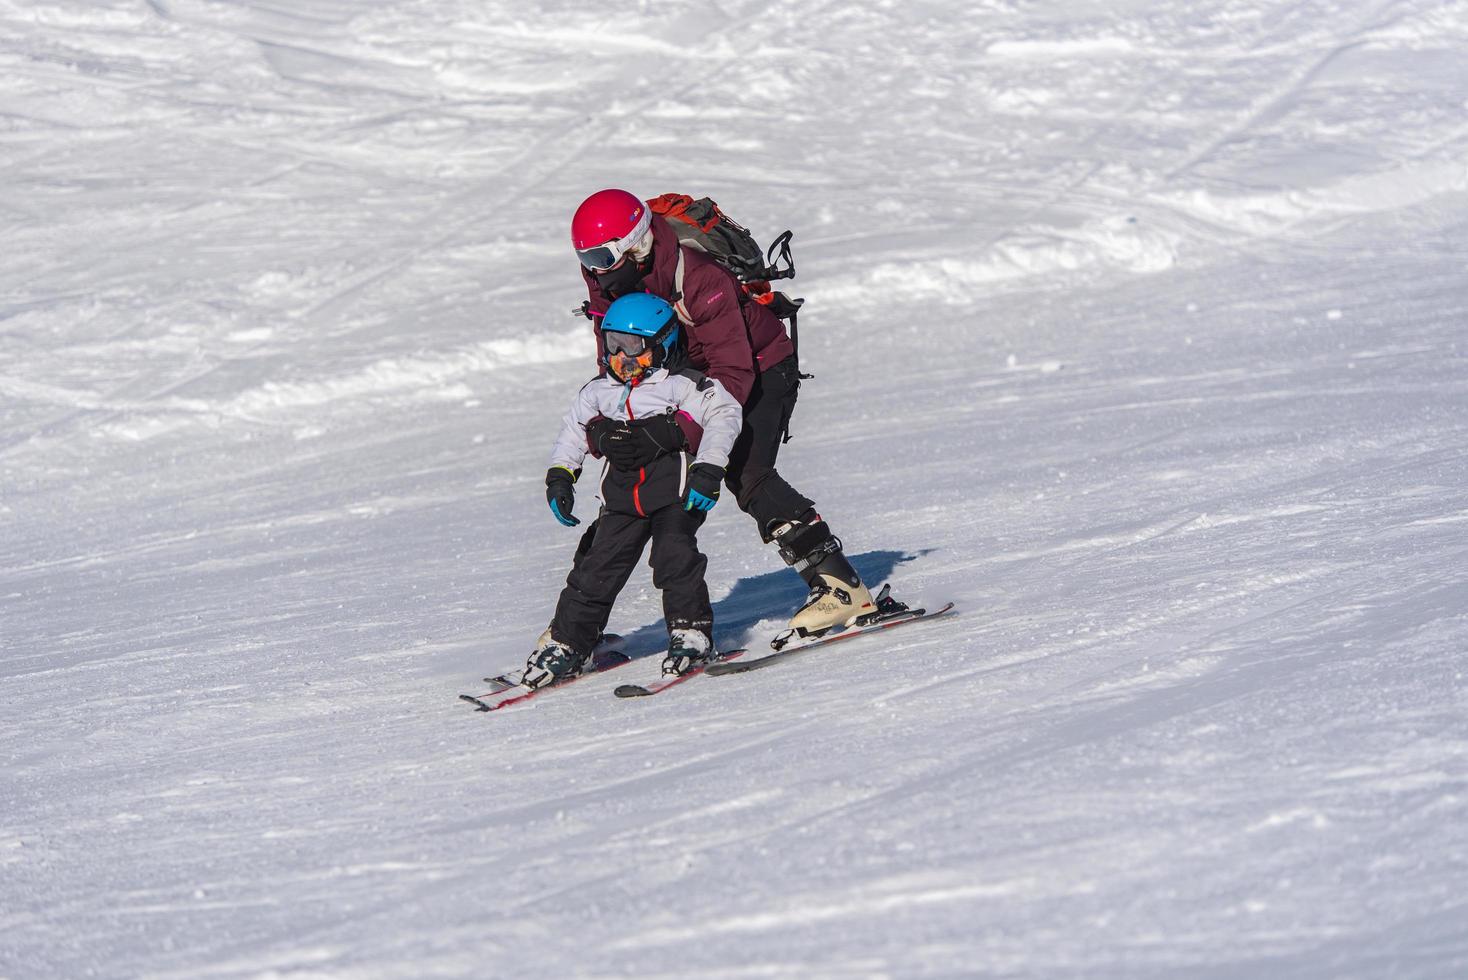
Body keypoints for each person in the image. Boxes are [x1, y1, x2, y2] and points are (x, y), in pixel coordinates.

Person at [567, 188, 876, 641]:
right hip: (679, 371)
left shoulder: (698, 277)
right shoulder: (606, 276)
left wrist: (678, 428)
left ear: (634, 244)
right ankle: (576, 628)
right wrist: (614, 422)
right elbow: (613, 356)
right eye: (584, 257)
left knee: (746, 471)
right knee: (630, 483)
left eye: (600, 256)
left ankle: (840, 586)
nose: (592, 268)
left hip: (758, 367)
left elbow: (733, 371)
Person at [523, 292, 744, 690]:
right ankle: (570, 643)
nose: (622, 359)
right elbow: (573, 431)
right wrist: (561, 475)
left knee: (674, 557)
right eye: (614, 346)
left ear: (663, 344)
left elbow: (724, 414)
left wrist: (709, 470)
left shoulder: (681, 384)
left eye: (634, 348)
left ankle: (690, 633)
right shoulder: (598, 391)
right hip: (621, 499)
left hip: (674, 492)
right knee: (595, 571)